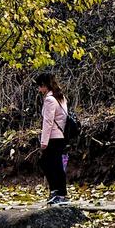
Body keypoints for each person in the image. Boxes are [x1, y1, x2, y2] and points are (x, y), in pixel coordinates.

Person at [36, 72, 69, 205]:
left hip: (53, 137)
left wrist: (44, 142)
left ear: (44, 85)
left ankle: (57, 192)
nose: (39, 89)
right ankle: (59, 193)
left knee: (48, 164)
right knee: (56, 165)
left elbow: (48, 122)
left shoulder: (50, 100)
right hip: (60, 136)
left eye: (39, 86)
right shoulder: (61, 97)